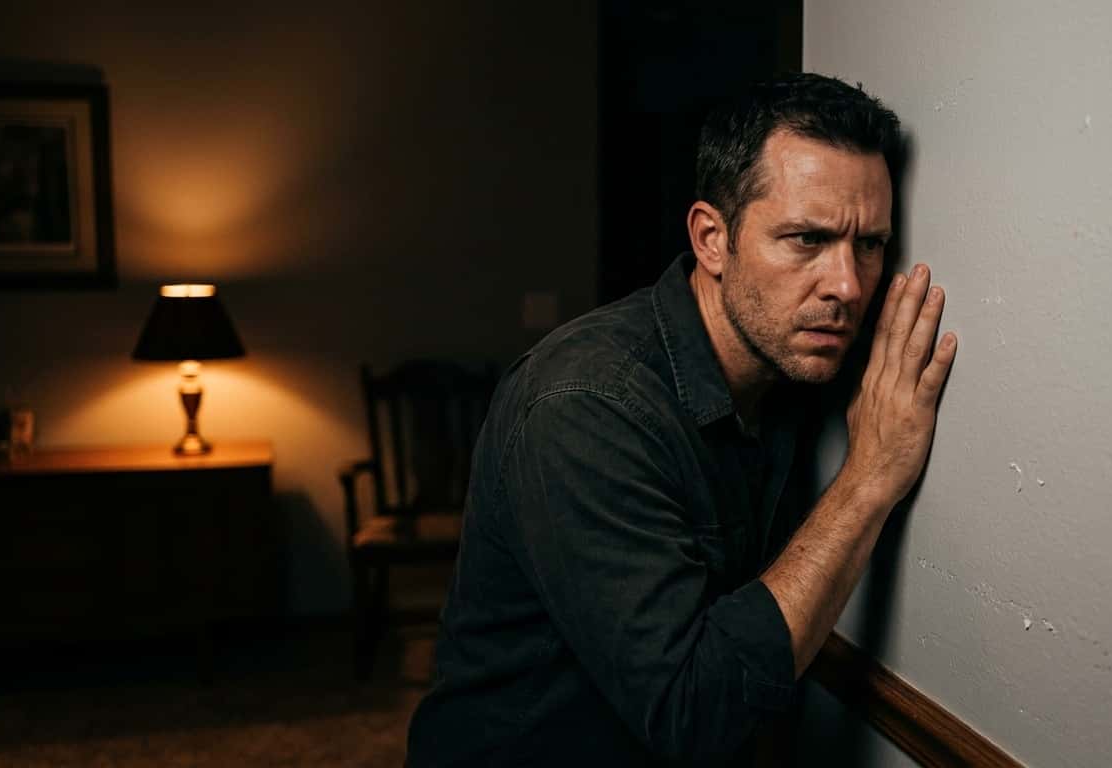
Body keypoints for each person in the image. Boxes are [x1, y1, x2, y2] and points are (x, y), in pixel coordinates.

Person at [406, 72, 958, 766]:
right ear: (711, 240)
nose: (847, 286)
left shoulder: (791, 358)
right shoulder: (583, 404)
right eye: (805, 239)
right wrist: (870, 476)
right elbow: (696, 711)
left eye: (870, 245)